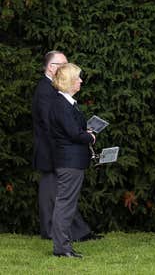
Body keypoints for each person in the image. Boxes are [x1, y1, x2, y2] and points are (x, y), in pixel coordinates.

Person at [32, 51, 95, 242]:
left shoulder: (53, 91)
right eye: (63, 64)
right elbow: (50, 124)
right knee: (56, 196)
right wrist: (76, 137)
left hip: (58, 149)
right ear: (51, 67)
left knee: (61, 196)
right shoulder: (46, 90)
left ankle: (72, 233)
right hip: (53, 150)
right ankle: (56, 234)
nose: (66, 68)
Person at [49, 63, 96, 258]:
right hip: (69, 162)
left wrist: (84, 133)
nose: (81, 81)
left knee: (66, 204)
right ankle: (61, 248)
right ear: (68, 82)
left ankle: (63, 245)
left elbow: (73, 131)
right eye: (78, 78)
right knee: (65, 205)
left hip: (71, 161)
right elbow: (73, 134)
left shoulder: (66, 103)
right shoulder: (62, 105)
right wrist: (90, 137)